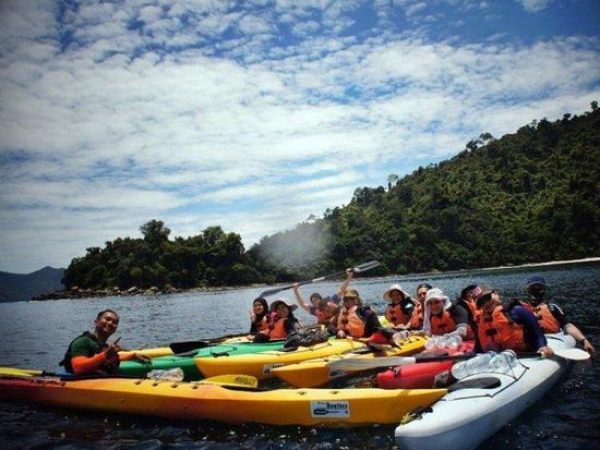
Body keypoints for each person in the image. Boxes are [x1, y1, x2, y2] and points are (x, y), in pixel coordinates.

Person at [61, 309, 148, 375]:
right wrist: (106, 354)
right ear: (96, 321)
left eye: (115, 322)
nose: (110, 323)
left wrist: (132, 355)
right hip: (86, 386)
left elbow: (108, 358)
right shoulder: (82, 342)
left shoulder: (103, 346)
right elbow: (78, 367)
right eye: (107, 319)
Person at [524, 275, 595, 354]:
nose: (536, 292)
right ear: (527, 290)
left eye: (539, 289)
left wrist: (584, 341)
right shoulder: (520, 309)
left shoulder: (552, 308)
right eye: (532, 289)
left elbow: (567, 326)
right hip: (532, 341)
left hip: (554, 339)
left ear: (543, 290)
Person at [476, 289, 553, 357]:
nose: (486, 303)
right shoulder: (482, 323)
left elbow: (537, 332)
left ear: (496, 295)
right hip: (499, 358)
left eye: (487, 298)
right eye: (481, 303)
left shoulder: (517, 310)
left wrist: (542, 346)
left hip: (527, 355)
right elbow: (478, 347)